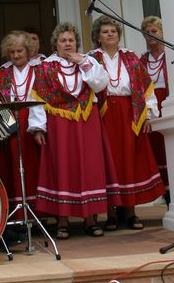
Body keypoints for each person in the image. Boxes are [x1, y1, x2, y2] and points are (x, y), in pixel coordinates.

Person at [27, 22, 119, 239]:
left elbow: (100, 84)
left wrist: (84, 63)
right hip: (59, 125)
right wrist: (38, 127)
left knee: (89, 168)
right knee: (62, 168)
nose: (67, 44)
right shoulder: (45, 67)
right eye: (63, 40)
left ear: (76, 43)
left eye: (71, 40)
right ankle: (62, 221)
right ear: (55, 44)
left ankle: (90, 220)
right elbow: (38, 98)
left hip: (87, 122)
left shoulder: (89, 61)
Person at [90, 15, 165, 231]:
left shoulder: (130, 57)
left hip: (129, 113)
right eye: (105, 31)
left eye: (113, 31)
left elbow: (145, 86)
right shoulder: (92, 58)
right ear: (98, 36)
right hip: (103, 114)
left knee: (129, 160)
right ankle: (111, 215)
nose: (110, 34)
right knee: (109, 163)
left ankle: (131, 213)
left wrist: (148, 114)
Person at [0, 30, 40, 209]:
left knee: (35, 165)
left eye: (20, 51)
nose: (16, 55)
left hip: (34, 122)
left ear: (28, 50)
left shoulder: (39, 69)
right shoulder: (3, 72)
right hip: (11, 125)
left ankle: (39, 211)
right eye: (12, 52)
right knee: (13, 167)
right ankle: (18, 211)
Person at [140, 15, 169, 201]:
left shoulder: (171, 56)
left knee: (168, 148)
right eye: (147, 32)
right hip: (150, 107)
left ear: (162, 33)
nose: (150, 35)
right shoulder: (142, 60)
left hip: (168, 102)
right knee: (154, 148)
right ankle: (161, 192)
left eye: (154, 31)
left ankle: (173, 194)